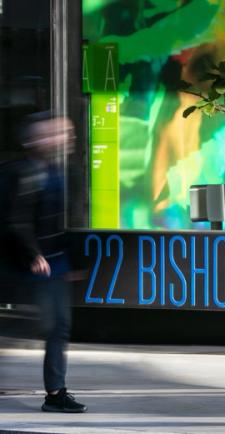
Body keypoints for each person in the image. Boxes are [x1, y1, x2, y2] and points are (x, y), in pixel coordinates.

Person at [6, 112, 87, 413]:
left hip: (57, 262)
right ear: (35, 140)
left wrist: (74, 261)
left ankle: (55, 393)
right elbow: (17, 219)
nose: (63, 138)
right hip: (34, 263)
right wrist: (32, 254)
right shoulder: (26, 173)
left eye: (65, 133)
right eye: (54, 134)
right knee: (33, 328)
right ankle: (54, 392)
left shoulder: (62, 171)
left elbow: (66, 220)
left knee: (58, 326)